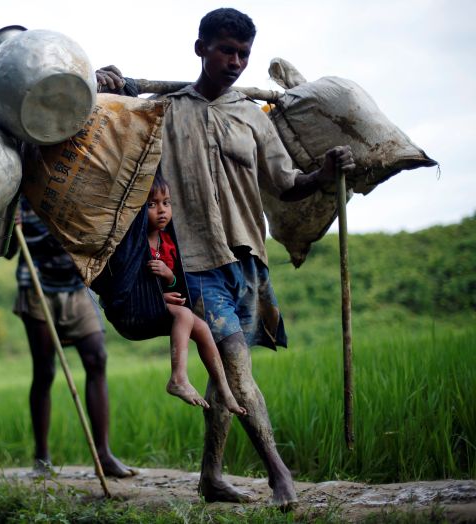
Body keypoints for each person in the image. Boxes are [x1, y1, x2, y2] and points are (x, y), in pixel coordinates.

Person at [157, 8, 355, 507]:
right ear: (200, 47)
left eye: (244, 53)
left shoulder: (250, 116)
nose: (236, 62)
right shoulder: (165, 111)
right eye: (226, 50)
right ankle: (279, 475)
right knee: (239, 373)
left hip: (247, 259)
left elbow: (288, 185)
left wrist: (326, 171)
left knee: (222, 372)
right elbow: (115, 126)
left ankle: (211, 478)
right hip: (196, 263)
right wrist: (108, 79)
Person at [7, 196, 136, 478]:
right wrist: (9, 225)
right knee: (44, 370)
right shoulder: (18, 192)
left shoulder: (77, 180)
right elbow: (6, 249)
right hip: (37, 284)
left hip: (78, 285)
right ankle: (42, 458)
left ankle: (104, 455)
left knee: (97, 357)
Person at [146, 174, 247, 416]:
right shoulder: (138, 244)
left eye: (166, 203)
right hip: (143, 307)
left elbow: (173, 283)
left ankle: (225, 391)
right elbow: (133, 285)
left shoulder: (168, 242)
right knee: (185, 315)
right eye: (152, 204)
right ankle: (178, 377)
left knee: (201, 327)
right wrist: (159, 298)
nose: (161, 210)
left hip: (164, 302)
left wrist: (169, 276)